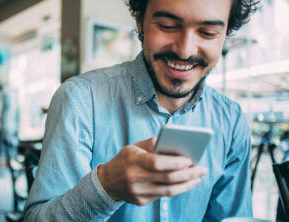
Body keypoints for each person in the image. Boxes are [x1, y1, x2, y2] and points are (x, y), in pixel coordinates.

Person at [24, 0, 259, 221]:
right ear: (139, 20)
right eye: (167, 26)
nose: (185, 50)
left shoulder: (231, 120)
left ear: (226, 33)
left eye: (208, 32)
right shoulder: (81, 99)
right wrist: (106, 187)